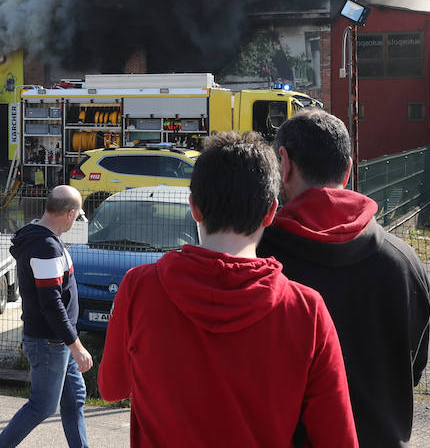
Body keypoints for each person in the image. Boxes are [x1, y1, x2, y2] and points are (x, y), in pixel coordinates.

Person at [99, 134, 356, 447]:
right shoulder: (306, 309)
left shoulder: (139, 287)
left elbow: (112, 387)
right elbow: (337, 438)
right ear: (271, 212)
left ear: (194, 207)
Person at [258, 110, 430, 447]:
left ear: (284, 163)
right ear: (348, 169)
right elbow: (413, 372)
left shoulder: (259, 260)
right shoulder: (404, 261)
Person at [0, 185, 92, 448]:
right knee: (42, 407)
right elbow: (51, 304)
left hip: (57, 341)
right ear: (69, 214)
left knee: (74, 399)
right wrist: (76, 345)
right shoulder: (46, 247)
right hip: (51, 343)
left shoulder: (40, 237)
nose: (77, 220)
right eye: (78, 215)